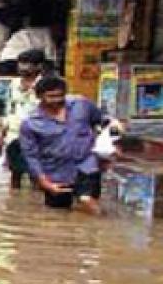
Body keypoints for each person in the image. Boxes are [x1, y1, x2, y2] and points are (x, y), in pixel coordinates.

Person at [19, 76, 115, 214]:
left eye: (60, 95)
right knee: (58, 213)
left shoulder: (81, 104)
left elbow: (102, 120)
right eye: (51, 97)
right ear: (39, 96)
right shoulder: (31, 124)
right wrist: (44, 182)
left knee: (86, 199)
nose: (57, 100)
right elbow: (31, 156)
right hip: (56, 173)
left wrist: (113, 129)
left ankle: (102, 228)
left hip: (87, 165)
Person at [0, 49, 50, 189]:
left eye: (27, 64)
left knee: (36, 175)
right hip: (13, 135)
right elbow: (9, 111)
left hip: (37, 136)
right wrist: (1, 138)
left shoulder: (46, 86)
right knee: (15, 173)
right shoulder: (13, 85)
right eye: (21, 63)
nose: (22, 67)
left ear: (39, 67)